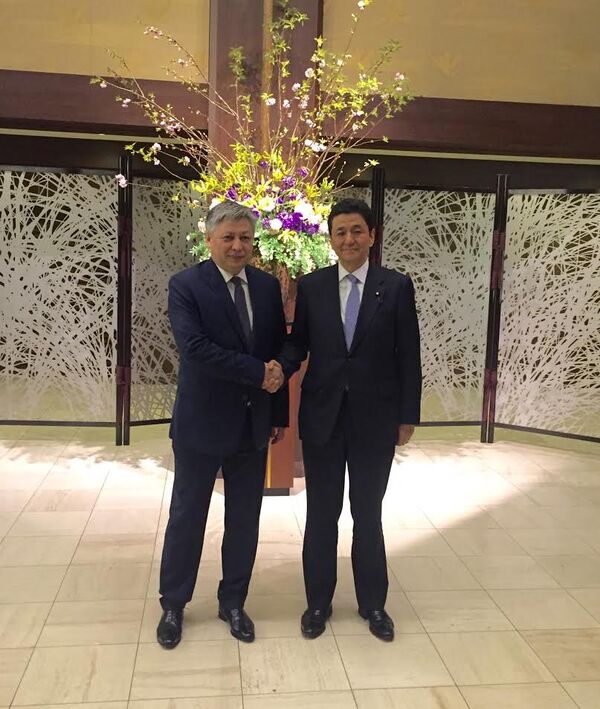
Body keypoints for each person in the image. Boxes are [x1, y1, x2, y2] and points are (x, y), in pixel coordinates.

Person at [278, 197, 421, 642]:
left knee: (368, 514)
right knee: (322, 514)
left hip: (375, 420)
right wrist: (276, 369)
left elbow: (409, 355)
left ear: (372, 236)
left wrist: (407, 416)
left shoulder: (395, 286)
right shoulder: (313, 286)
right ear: (331, 238)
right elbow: (298, 344)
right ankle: (317, 604)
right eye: (340, 231)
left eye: (357, 230)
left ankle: (373, 604)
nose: (349, 239)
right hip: (323, 417)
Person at [157, 200, 288, 648]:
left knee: (244, 519)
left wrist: (278, 413)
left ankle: (233, 601)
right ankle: (174, 603)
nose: (237, 246)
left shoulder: (267, 287)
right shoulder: (186, 285)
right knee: (187, 516)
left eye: (245, 238)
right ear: (209, 239)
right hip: (201, 423)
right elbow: (195, 348)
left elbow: (277, 350)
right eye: (228, 237)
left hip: (253, 425)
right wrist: (258, 373)